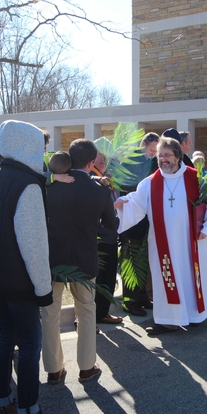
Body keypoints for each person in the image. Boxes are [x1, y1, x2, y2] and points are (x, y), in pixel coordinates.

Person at [0, 119, 68, 414]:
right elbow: (34, 244)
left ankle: (1, 404)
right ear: (29, 146)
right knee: (29, 342)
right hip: (20, 279)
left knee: (4, 338)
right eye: (40, 147)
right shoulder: (27, 184)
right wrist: (43, 289)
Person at [115, 136, 207, 335]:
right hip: (163, 243)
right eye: (160, 156)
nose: (163, 159)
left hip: (192, 242)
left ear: (178, 156)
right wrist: (119, 203)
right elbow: (135, 201)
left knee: (191, 275)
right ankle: (168, 320)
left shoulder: (194, 177)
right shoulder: (152, 181)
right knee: (166, 278)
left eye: (167, 155)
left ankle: (194, 315)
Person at [41, 139, 118, 384]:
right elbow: (111, 226)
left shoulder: (49, 186)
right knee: (86, 311)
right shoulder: (100, 189)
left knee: (50, 313)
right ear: (91, 162)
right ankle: (86, 366)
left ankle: (54, 368)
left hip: (53, 259)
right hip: (85, 258)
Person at [116, 132, 159, 316]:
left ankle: (141, 296)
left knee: (142, 259)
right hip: (131, 218)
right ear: (143, 144)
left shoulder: (151, 161)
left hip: (144, 217)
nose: (153, 154)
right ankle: (129, 301)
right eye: (151, 149)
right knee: (132, 259)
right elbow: (126, 186)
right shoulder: (130, 161)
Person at [91, 138, 123, 323]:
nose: (102, 158)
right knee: (99, 277)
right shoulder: (91, 178)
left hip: (110, 234)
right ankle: (93, 316)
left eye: (106, 154)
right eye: (98, 154)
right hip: (98, 236)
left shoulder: (110, 176)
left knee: (109, 276)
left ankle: (102, 312)